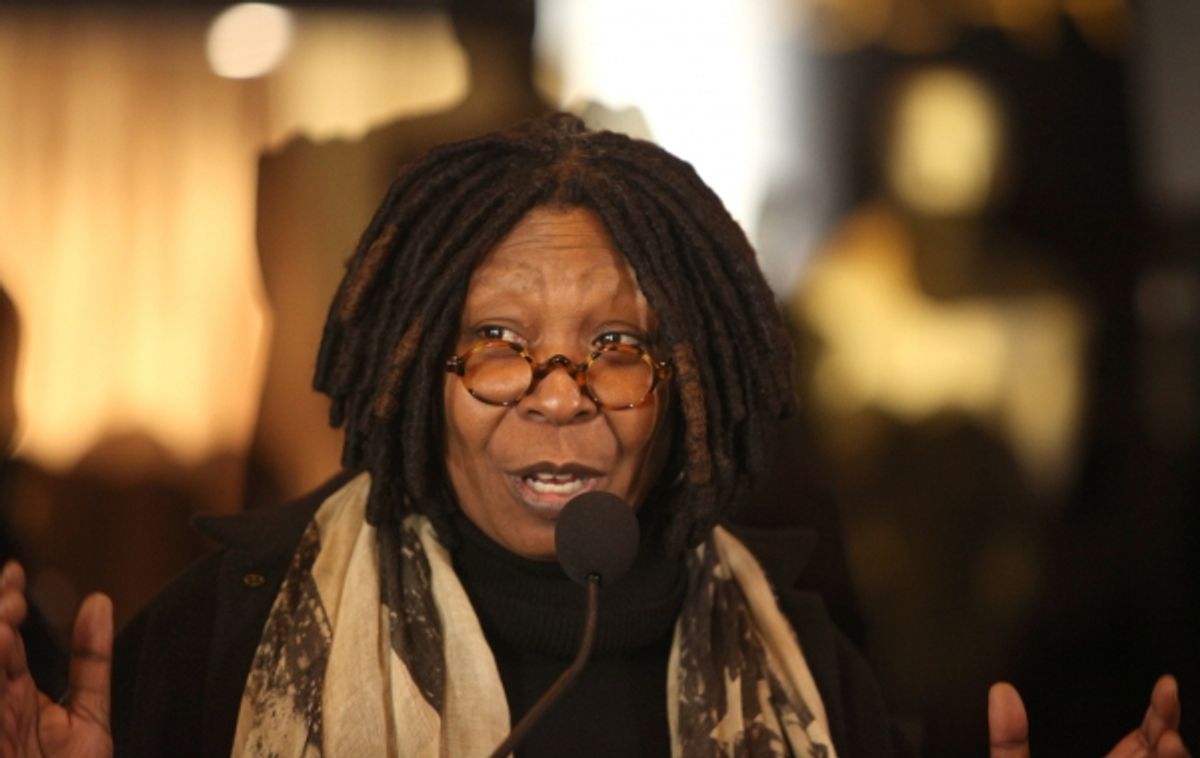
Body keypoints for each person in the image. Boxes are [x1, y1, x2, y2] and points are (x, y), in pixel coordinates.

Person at [0, 114, 1188, 757]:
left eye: (617, 346)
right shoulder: (223, 635)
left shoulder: (810, 667)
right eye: (500, 339)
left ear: (686, 387)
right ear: (421, 377)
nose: (557, 393)